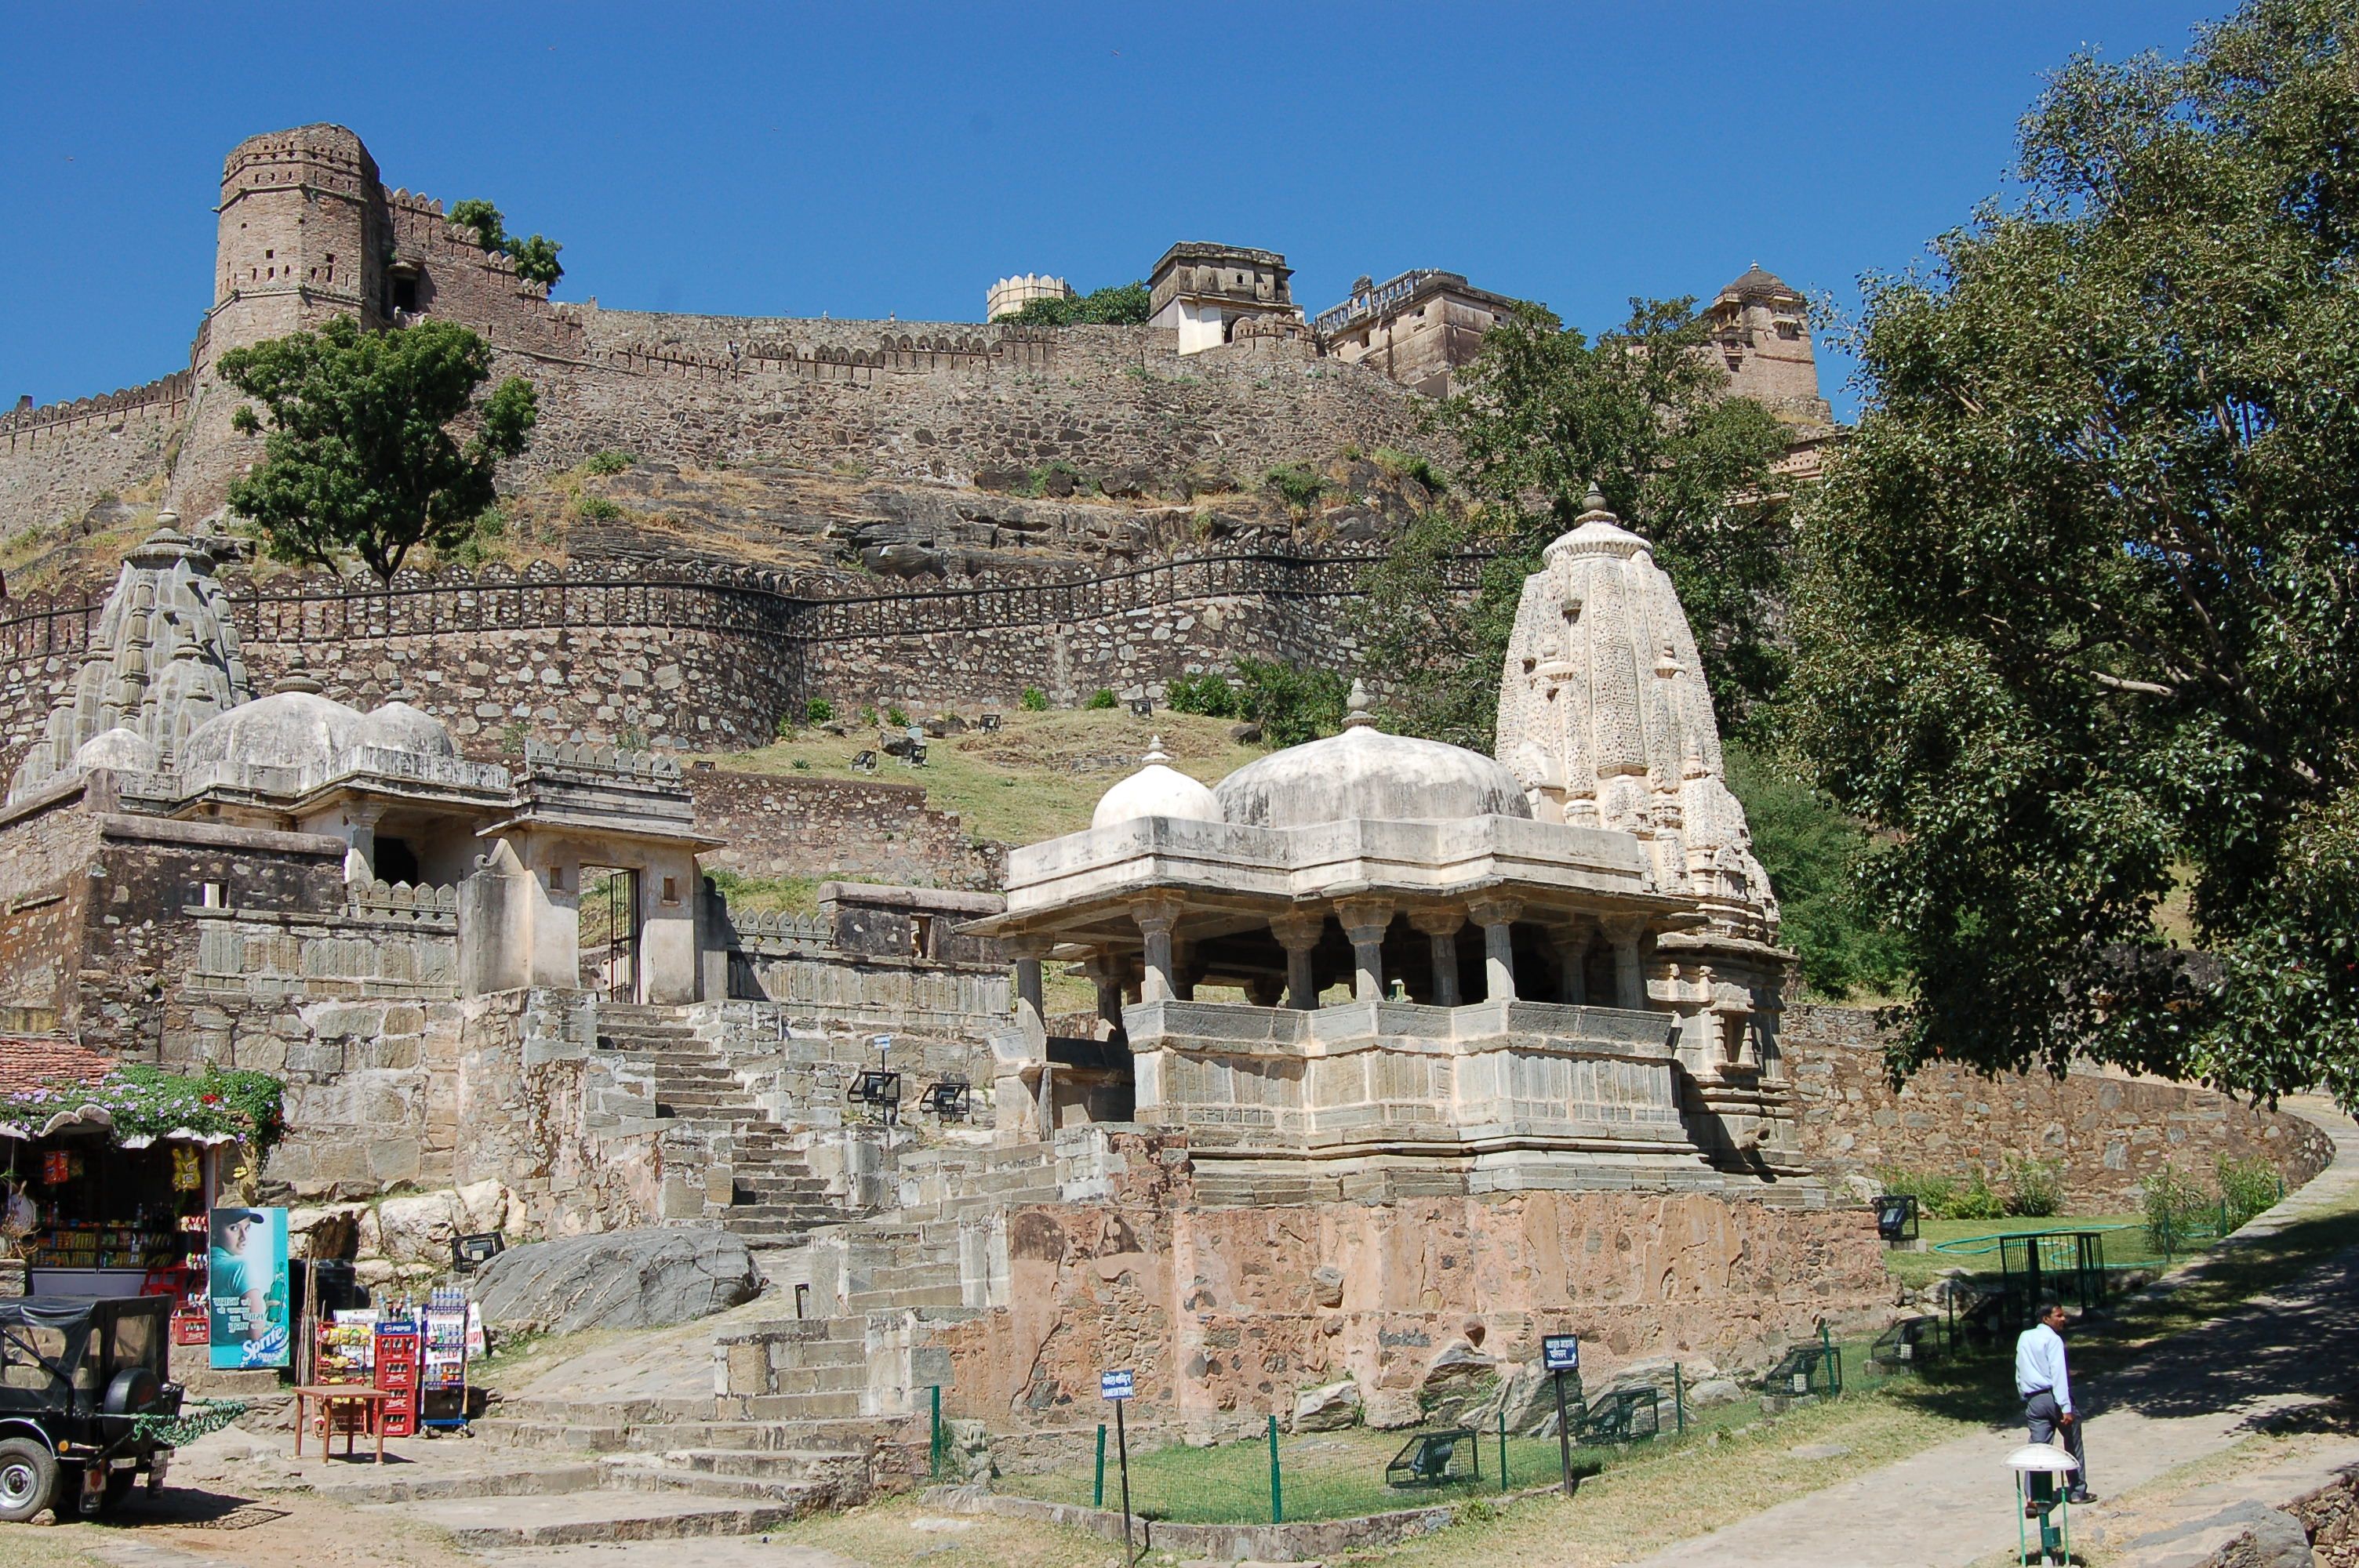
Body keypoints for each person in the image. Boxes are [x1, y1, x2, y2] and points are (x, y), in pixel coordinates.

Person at [2016, 1298, 2094, 1504]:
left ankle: (2034, 1496)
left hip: (2034, 1400)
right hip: (2054, 1398)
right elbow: (2059, 1374)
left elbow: (2019, 1368)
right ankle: (2077, 1491)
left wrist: (2024, 1394)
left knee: (2038, 1448)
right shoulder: (2053, 1340)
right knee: (2073, 1443)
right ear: (2045, 1318)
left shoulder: (2024, 1337)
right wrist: (2065, 1406)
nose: (2063, 1319)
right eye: (2058, 1315)